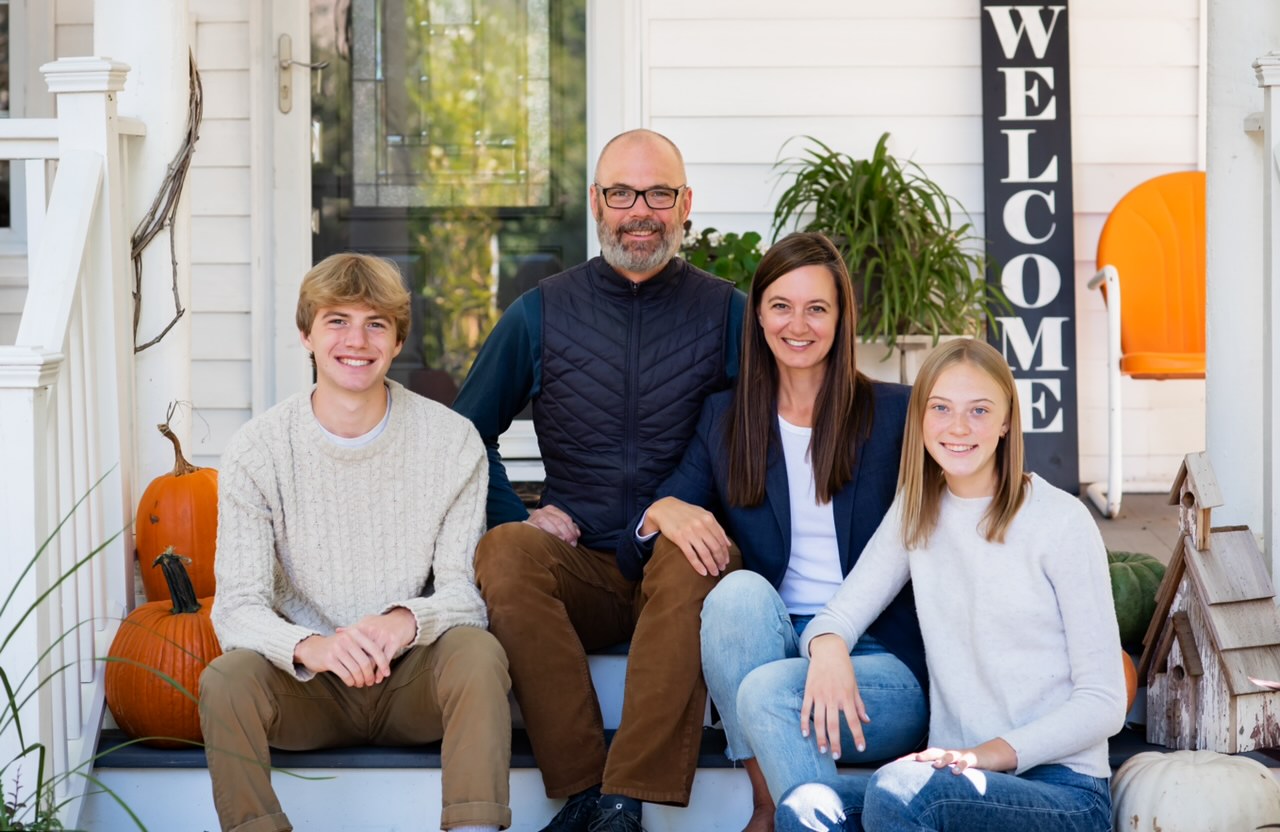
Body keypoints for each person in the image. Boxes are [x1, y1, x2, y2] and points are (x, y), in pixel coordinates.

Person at [452, 128, 747, 832]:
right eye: (621, 193)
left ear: (685, 205)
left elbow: (755, 435)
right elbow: (463, 431)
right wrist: (514, 513)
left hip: (677, 563)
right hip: (579, 558)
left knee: (695, 552)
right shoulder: (540, 312)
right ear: (596, 203)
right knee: (503, 553)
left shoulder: (729, 312)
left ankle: (626, 800)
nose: (639, 210)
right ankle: (583, 788)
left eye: (658, 194)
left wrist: (687, 504)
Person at [622, 232, 927, 832]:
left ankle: (785, 815)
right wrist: (659, 512)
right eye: (782, 306)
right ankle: (773, 801)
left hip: (876, 659)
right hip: (768, 646)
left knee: (767, 695)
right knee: (735, 595)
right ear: (758, 315)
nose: (799, 324)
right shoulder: (725, 419)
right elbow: (635, 559)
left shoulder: (898, 414)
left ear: (841, 320)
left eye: (818, 308)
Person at [199, 253, 512, 832]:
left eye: (376, 324)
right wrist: (310, 648)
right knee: (226, 680)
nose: (356, 340)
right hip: (309, 688)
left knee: (478, 654)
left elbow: (465, 597)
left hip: (412, 679)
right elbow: (236, 608)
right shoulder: (258, 450)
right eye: (337, 320)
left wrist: (403, 622)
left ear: (397, 342)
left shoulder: (452, 442)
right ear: (307, 335)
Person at [775, 338, 1126, 832]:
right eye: (940, 408)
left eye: (979, 410)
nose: (958, 427)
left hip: (1062, 792)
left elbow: (1105, 701)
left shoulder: (1061, 522)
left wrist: (984, 757)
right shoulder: (919, 511)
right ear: (919, 418)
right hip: (953, 779)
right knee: (806, 806)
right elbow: (839, 613)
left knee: (902, 789)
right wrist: (828, 645)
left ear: (1007, 422)